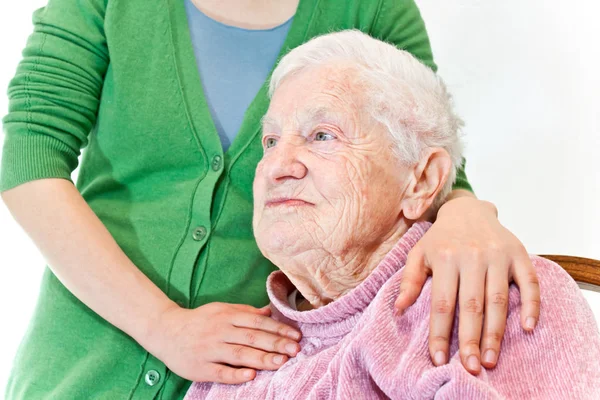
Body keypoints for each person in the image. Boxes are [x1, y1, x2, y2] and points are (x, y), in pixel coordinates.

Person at [0, 0, 541, 398]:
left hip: (257, 371)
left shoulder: (374, 8)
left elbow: (421, 148)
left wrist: (469, 211)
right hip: (86, 363)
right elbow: (29, 157)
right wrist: (161, 325)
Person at [184, 30, 600, 399]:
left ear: (420, 181)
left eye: (322, 135)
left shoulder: (497, 301)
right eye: (271, 141)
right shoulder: (236, 354)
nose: (277, 166)